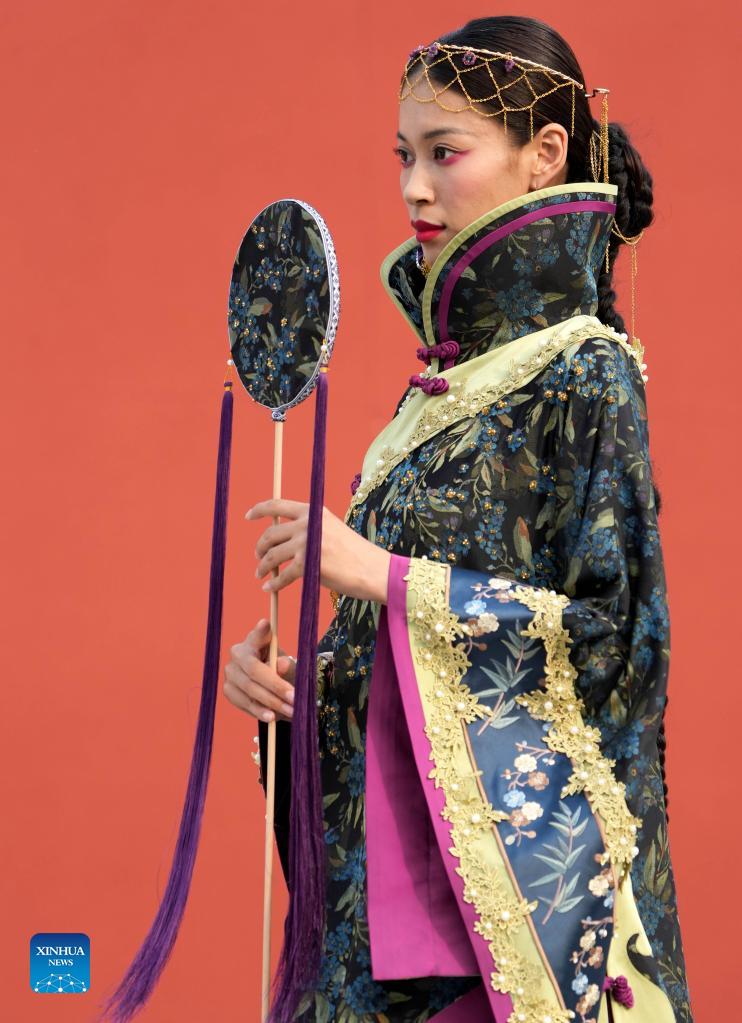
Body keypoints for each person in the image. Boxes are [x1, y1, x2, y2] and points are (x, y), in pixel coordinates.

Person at [223, 15, 693, 1023]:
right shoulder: (431, 399)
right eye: (403, 157)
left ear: (545, 154)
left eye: (445, 153)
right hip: (376, 931)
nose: (414, 188)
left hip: (496, 942)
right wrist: (299, 698)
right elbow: (401, 673)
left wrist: (378, 576)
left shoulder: (586, 370)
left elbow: (619, 644)